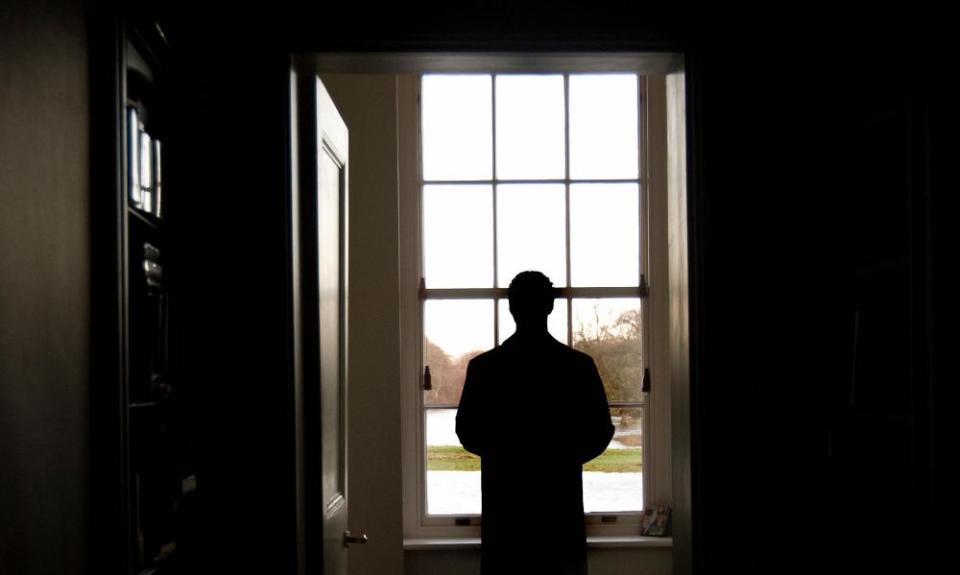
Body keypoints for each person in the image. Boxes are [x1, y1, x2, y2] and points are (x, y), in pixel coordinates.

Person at [456, 271, 614, 575]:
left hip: (505, 505)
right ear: (550, 306)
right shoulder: (577, 367)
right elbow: (601, 432)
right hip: (560, 503)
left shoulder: (485, 369)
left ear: (512, 308)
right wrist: (561, 458)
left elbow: (468, 432)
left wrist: (508, 456)